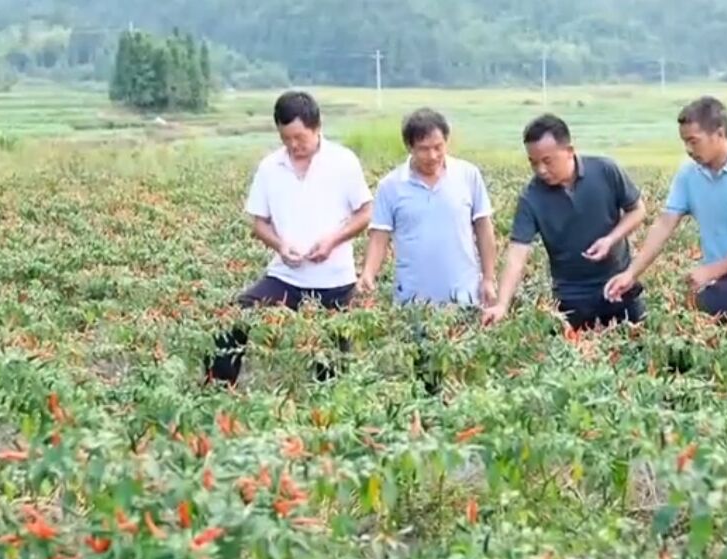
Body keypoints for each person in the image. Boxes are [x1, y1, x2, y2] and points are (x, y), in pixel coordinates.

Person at [205, 89, 373, 385]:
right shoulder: (271, 167)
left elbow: (365, 213)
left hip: (335, 280)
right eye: (286, 139)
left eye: (300, 138)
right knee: (234, 320)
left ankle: (322, 416)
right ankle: (218, 388)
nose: (293, 146)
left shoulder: (343, 162)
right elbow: (259, 224)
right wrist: (281, 246)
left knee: (331, 366)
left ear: (317, 128)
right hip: (286, 278)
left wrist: (333, 240)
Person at [604, 96, 727, 321]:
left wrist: (711, 271)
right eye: (685, 142)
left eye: (694, 141)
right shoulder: (689, 174)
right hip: (720, 278)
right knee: (675, 306)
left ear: (719, 133)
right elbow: (664, 224)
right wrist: (631, 274)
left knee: (697, 309)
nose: (689, 149)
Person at [482, 114, 647, 330]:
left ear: (569, 151)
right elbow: (516, 254)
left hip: (620, 286)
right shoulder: (531, 198)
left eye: (547, 161)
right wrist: (502, 304)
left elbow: (638, 210)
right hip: (572, 298)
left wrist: (611, 239)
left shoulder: (606, 170)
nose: (541, 170)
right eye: (533, 163)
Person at [357, 108, 498, 307]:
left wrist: (489, 278)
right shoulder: (391, 185)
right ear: (409, 147)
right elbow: (379, 237)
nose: (432, 156)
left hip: (464, 295)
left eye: (438, 147)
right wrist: (368, 274)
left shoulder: (468, 175)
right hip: (412, 301)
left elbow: (483, 227)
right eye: (424, 149)